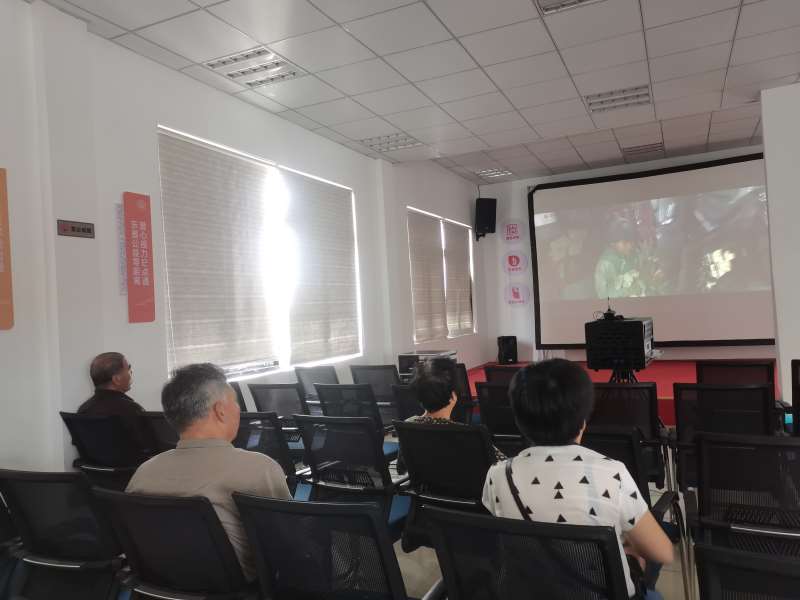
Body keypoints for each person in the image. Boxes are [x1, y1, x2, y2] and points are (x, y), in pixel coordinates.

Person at [482, 359, 673, 599]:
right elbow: (662, 552)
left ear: (519, 421)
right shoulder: (612, 474)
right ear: (583, 421)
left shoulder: (498, 474)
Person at [126, 363, 291, 581]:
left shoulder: (143, 473)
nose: (238, 410)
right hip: (239, 587)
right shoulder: (259, 468)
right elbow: (289, 541)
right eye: (235, 402)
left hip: (161, 585)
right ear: (220, 410)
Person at [396, 358, 505, 474]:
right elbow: (504, 470)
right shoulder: (471, 435)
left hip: (425, 486)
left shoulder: (407, 426)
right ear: (453, 396)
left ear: (419, 398)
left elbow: (401, 469)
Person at [78, 352, 143, 416]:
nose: (131, 372)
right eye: (128, 369)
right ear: (116, 379)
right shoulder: (132, 410)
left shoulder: (83, 410)